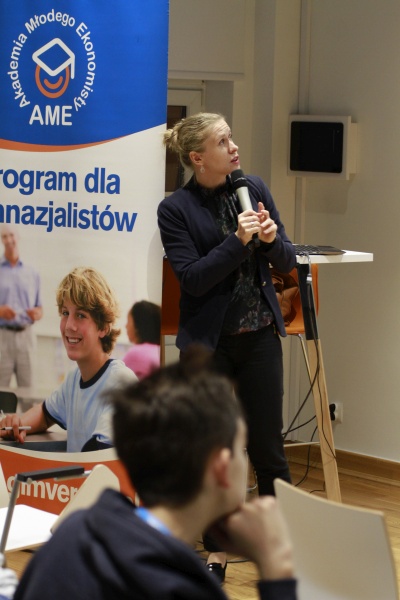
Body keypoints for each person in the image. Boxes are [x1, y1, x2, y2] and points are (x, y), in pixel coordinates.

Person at [13, 347, 297, 600]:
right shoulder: (186, 589)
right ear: (221, 468)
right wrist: (276, 572)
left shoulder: (74, 531)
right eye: (240, 449)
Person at [157, 112, 297, 579]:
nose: (234, 147)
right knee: (214, 454)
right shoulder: (175, 209)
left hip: (258, 338)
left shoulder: (252, 187)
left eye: (231, 138)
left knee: (268, 449)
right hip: (208, 348)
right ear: (198, 157)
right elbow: (193, 279)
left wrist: (272, 241)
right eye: (223, 141)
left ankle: (281, 552)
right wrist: (238, 240)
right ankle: (215, 556)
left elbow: (287, 259)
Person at [0, 266, 137, 452]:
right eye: (65, 313)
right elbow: (45, 414)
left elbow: (98, 455)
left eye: (80, 315)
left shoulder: (121, 382)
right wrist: (16, 424)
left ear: (104, 328)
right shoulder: (74, 379)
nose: (69, 326)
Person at [0, 224, 43, 387]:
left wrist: (37, 314)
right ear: (1, 240)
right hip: (3, 337)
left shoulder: (32, 272)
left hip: (26, 337)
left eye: (11, 235)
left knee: (28, 390)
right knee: (1, 390)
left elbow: (40, 308)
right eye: (4, 236)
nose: (8, 240)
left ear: (18, 237)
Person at [122, 300, 161, 379]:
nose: (126, 326)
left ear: (138, 324)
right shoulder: (160, 351)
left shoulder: (136, 354)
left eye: (129, 321)